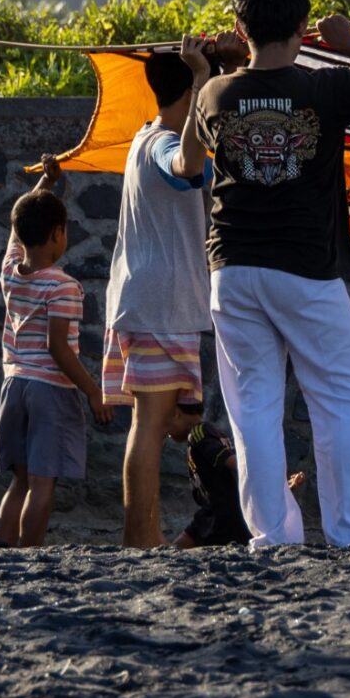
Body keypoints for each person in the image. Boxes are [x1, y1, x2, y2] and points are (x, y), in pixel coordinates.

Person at [173, 0, 350, 549]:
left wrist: (206, 73)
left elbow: (187, 165)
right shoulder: (323, 88)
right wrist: (349, 44)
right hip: (305, 269)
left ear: (240, 24)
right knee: (342, 399)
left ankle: (273, 537)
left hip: (231, 267)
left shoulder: (213, 93)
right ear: (304, 24)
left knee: (253, 408)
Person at [99, 52, 215, 549]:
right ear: (191, 96)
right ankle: (137, 537)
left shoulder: (142, 138)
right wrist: (205, 79)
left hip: (150, 301)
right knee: (149, 427)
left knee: (155, 423)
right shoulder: (164, 142)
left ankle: (145, 531)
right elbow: (187, 164)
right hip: (161, 306)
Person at [0, 187, 107, 546]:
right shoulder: (64, 286)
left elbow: (16, 226)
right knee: (43, 483)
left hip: (14, 386)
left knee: (20, 480)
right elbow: (57, 347)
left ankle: (4, 551)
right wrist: (93, 391)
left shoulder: (10, 273)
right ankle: (30, 553)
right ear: (58, 233)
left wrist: (43, 181)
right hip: (50, 391)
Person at [168, 398, 250, 549]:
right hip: (213, 510)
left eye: (165, 421)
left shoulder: (199, 434)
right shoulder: (215, 432)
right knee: (177, 547)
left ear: (175, 413)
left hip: (220, 514)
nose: (166, 431)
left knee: (179, 547)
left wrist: (257, 470)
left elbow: (231, 461)